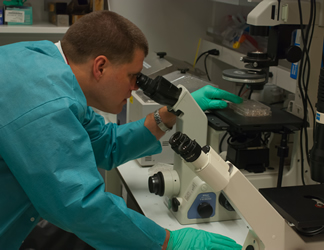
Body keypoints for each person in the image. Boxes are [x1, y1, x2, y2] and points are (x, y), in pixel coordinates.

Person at [0, 10, 243, 249]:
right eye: (133, 76)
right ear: (101, 67)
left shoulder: (43, 64)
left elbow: (106, 144)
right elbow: (78, 204)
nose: (135, 88)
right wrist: (168, 242)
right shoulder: (46, 101)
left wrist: (172, 112)